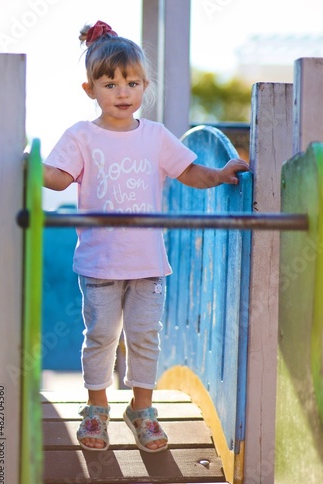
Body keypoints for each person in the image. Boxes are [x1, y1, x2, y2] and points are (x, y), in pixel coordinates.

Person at [43, 20, 249, 453]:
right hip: (99, 262)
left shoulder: (155, 136)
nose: (122, 92)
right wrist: (24, 161)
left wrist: (220, 174)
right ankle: (96, 410)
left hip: (148, 264)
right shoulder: (81, 136)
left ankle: (142, 410)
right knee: (100, 336)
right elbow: (59, 179)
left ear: (144, 86)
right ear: (90, 89)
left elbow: (189, 170)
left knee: (144, 336)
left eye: (131, 82)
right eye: (110, 83)